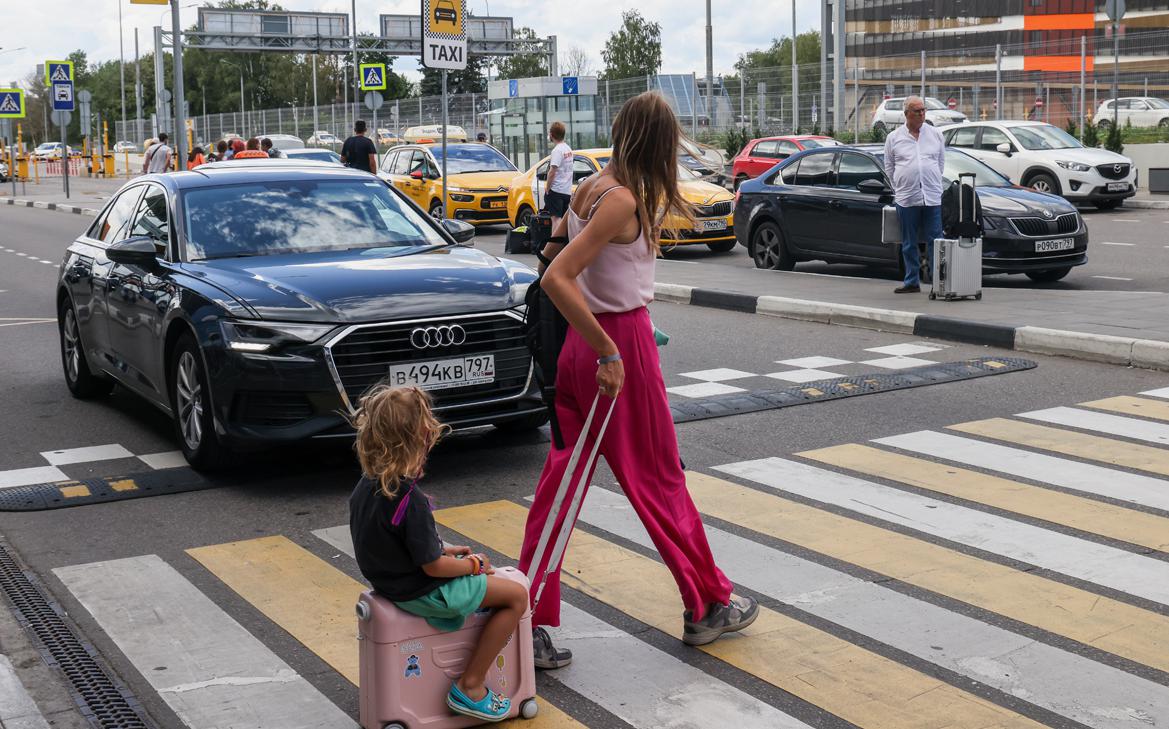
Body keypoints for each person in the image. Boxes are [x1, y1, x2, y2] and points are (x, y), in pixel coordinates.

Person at [517, 92, 758, 670]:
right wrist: (609, 348)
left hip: (581, 352)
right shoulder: (622, 201)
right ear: (657, 143)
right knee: (659, 479)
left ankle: (523, 620)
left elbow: (551, 255)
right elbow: (558, 278)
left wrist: (597, 331)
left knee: (560, 488)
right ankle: (707, 604)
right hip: (614, 354)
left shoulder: (590, 186)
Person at [349, 386, 527, 723]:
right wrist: (471, 565)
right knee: (516, 597)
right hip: (423, 592)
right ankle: (470, 686)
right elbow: (432, 567)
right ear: (423, 438)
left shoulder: (367, 486)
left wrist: (444, 548)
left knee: (490, 586)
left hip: (391, 584)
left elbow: (396, 541)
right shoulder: (409, 498)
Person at [883, 95, 946, 294]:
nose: (921, 114)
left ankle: (939, 283)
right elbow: (889, 166)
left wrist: (932, 180)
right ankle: (912, 281)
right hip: (907, 197)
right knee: (909, 242)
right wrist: (900, 185)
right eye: (917, 111)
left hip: (932, 196)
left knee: (935, 241)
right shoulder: (894, 137)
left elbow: (940, 163)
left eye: (923, 110)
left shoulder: (935, 135)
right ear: (906, 114)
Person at [542, 121, 573, 228]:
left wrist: (547, 188)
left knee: (556, 220)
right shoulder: (568, 149)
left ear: (551, 134)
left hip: (556, 191)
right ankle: (564, 243)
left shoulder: (557, 150)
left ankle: (555, 243)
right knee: (564, 220)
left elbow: (552, 171)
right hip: (566, 191)